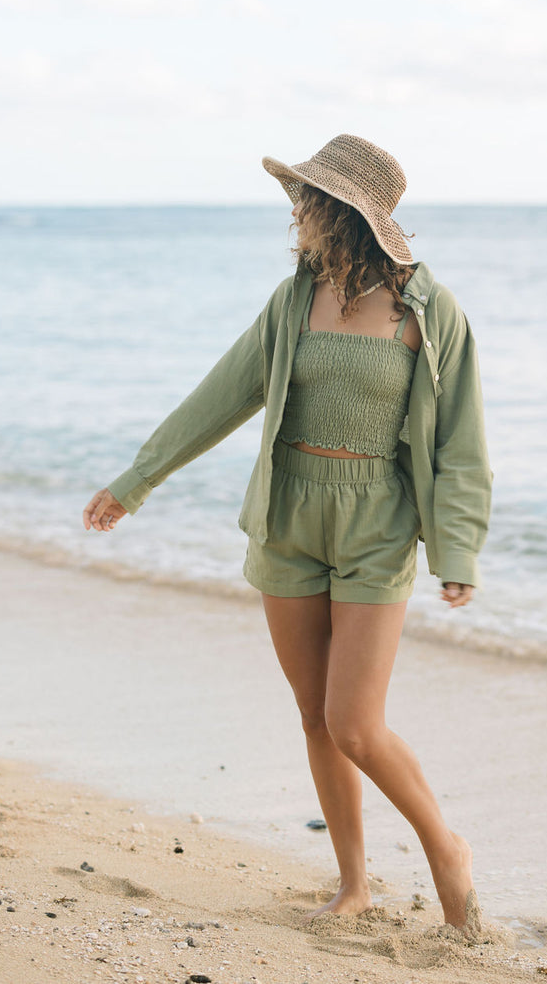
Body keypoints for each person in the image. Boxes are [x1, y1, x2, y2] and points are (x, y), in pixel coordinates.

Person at [82, 134, 493, 937]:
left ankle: (446, 847)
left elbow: (462, 441)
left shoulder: (427, 309)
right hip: (287, 519)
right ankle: (354, 885)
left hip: (376, 523)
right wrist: (136, 480)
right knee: (314, 713)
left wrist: (458, 548)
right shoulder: (293, 297)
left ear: (343, 212)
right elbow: (222, 395)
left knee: (355, 721)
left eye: (308, 199)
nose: (297, 212)